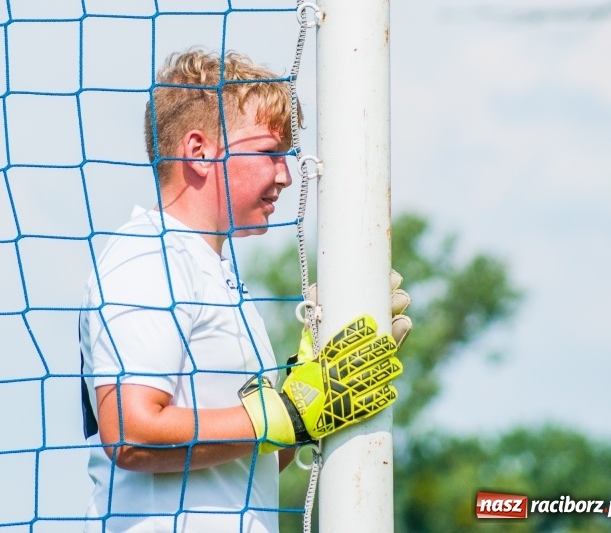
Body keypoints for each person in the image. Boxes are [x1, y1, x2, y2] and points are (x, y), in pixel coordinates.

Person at [79, 49, 410, 533]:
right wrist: (285, 412)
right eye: (269, 153)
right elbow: (129, 433)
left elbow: (247, 460)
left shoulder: (216, 274)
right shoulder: (147, 256)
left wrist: (306, 397)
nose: (285, 175)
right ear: (198, 152)